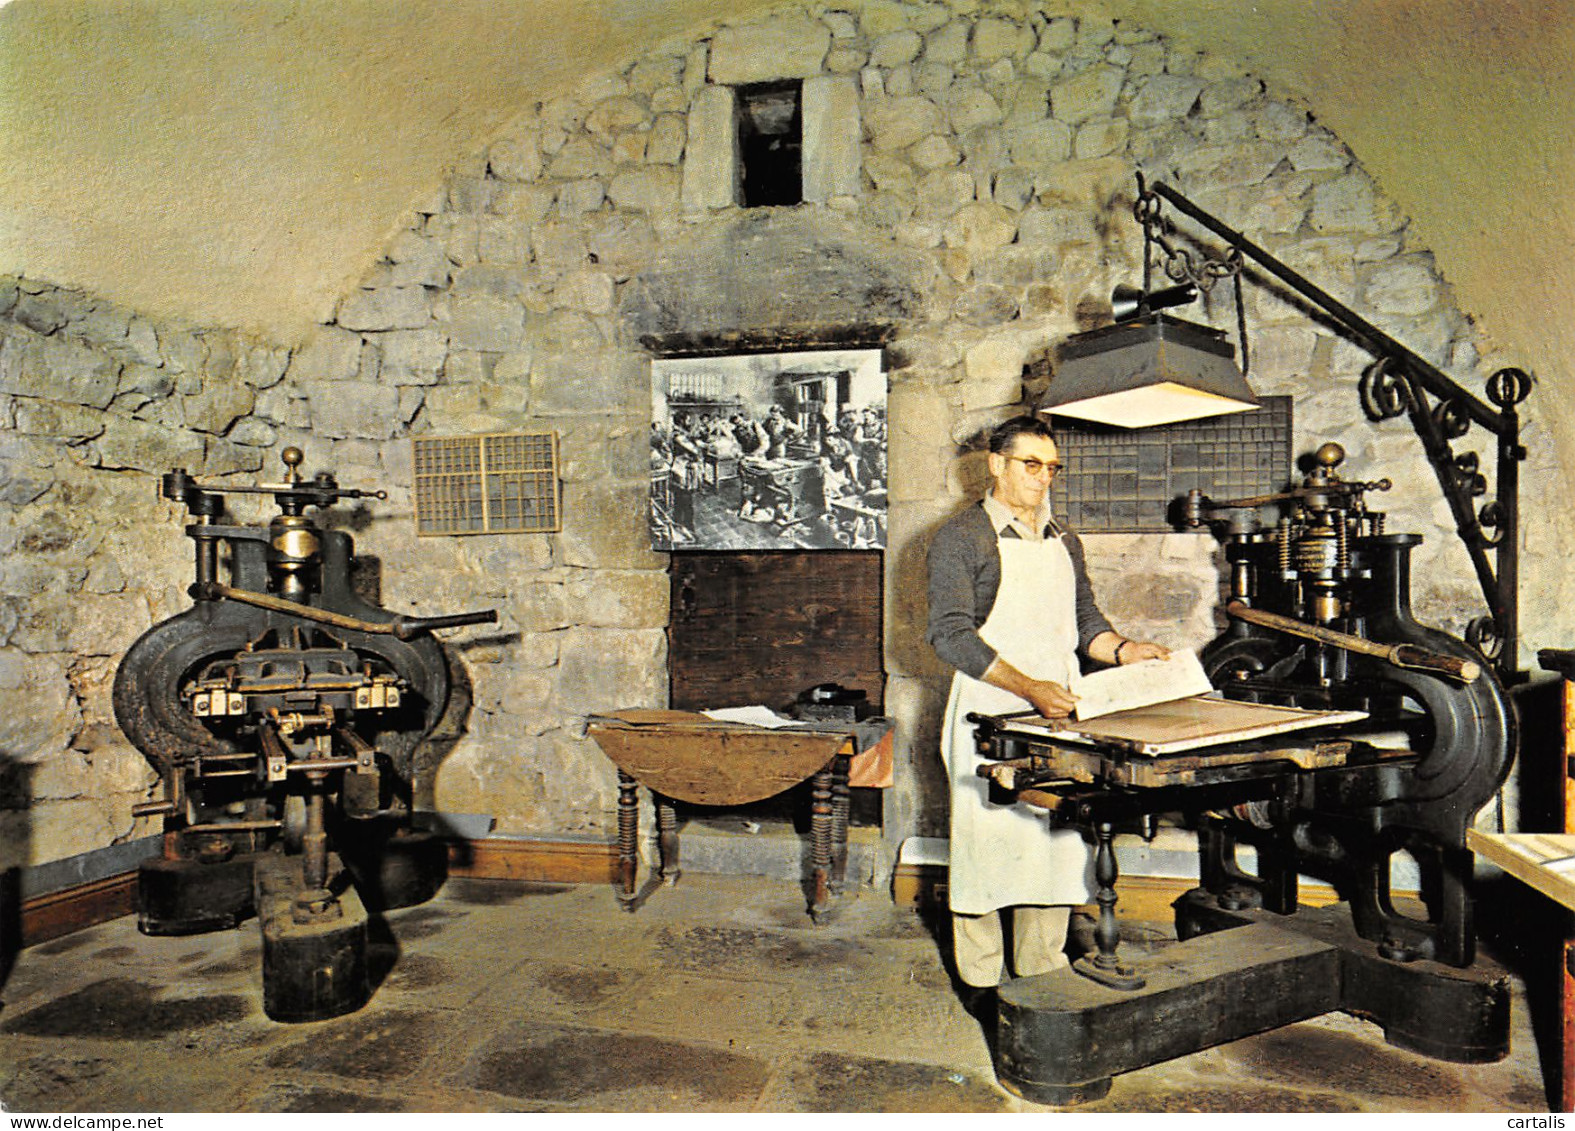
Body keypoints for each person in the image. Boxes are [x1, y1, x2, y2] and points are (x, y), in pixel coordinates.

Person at [925, 415, 1168, 1008]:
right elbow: (950, 635)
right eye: (1030, 464)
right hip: (989, 708)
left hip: (1057, 711)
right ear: (996, 465)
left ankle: (1041, 972)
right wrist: (1028, 687)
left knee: (1052, 843)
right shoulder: (962, 537)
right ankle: (981, 983)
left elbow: (1084, 620)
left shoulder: (1064, 538)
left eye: (1051, 467)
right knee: (987, 847)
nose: (1043, 477)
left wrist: (1125, 650)